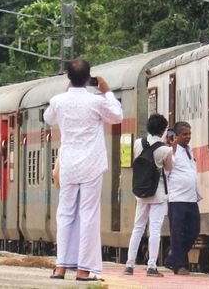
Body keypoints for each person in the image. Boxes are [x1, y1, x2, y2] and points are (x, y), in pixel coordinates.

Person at [45, 60, 123, 282]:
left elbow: (48, 118)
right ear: (89, 78)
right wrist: (107, 92)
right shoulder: (96, 101)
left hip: (69, 165)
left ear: (68, 78)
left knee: (65, 213)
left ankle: (60, 267)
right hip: (91, 164)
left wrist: (65, 93)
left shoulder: (59, 101)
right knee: (88, 215)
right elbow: (117, 116)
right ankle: (83, 270)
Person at [125, 115, 175, 277]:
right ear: (163, 130)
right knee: (154, 229)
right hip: (158, 194)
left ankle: (129, 265)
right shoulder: (165, 150)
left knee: (138, 228)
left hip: (141, 192)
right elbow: (169, 169)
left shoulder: (138, 143)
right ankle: (151, 266)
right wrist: (169, 148)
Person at [164, 121, 201, 276]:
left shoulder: (188, 150)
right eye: (184, 134)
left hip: (191, 199)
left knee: (193, 231)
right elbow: (166, 172)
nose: (188, 137)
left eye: (189, 134)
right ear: (176, 136)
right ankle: (179, 265)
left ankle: (173, 257)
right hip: (177, 199)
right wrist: (170, 147)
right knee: (177, 232)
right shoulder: (171, 152)